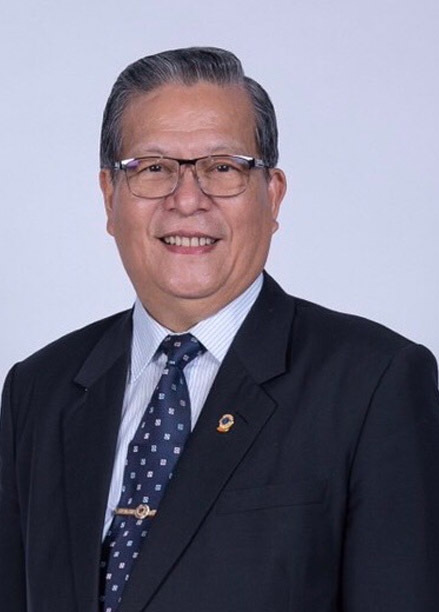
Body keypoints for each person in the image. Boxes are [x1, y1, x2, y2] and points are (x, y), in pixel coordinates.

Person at [1, 46, 439, 612]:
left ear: (272, 195)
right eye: (154, 168)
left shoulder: (375, 383)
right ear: (110, 198)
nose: (187, 200)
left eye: (223, 168)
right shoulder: (39, 389)